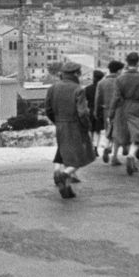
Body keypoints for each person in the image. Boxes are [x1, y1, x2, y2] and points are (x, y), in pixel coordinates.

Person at [45, 62, 95, 199]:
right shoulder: (78, 89)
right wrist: (86, 126)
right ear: (76, 74)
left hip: (60, 125)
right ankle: (65, 174)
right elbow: (82, 112)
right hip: (75, 126)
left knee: (63, 151)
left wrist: (57, 122)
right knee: (78, 156)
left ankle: (66, 185)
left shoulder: (53, 88)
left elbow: (48, 110)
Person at [108, 52, 139, 176]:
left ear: (126, 61)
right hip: (138, 106)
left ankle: (129, 156)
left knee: (126, 134)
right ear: (138, 63)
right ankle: (131, 156)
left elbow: (115, 97)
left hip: (123, 107)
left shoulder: (120, 78)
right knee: (137, 133)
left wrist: (111, 112)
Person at [94, 60, 125, 165]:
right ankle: (114, 157)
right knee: (118, 133)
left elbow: (97, 99)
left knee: (108, 131)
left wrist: (96, 111)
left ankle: (107, 147)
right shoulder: (121, 81)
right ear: (119, 70)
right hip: (119, 110)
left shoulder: (101, 83)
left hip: (105, 110)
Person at [85, 69, 105, 157]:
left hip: (90, 110)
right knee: (97, 131)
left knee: (90, 131)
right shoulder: (102, 89)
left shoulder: (87, 88)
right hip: (99, 111)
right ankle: (96, 149)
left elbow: (84, 101)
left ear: (93, 78)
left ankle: (90, 148)